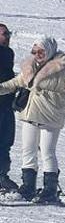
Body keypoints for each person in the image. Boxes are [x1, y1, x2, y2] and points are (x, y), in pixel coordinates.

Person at [0, 36, 65, 203]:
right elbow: (14, 83)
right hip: (30, 113)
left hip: (51, 114)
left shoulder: (63, 66)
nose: (37, 54)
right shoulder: (29, 67)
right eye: (34, 51)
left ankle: (49, 189)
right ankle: (28, 187)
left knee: (47, 151)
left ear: (49, 50)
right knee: (28, 150)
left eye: (41, 51)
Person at [0, 24, 18, 192]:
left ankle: (2, 176)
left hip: (7, 104)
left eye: (9, 33)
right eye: (5, 34)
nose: (8, 36)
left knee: (6, 142)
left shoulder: (9, 53)